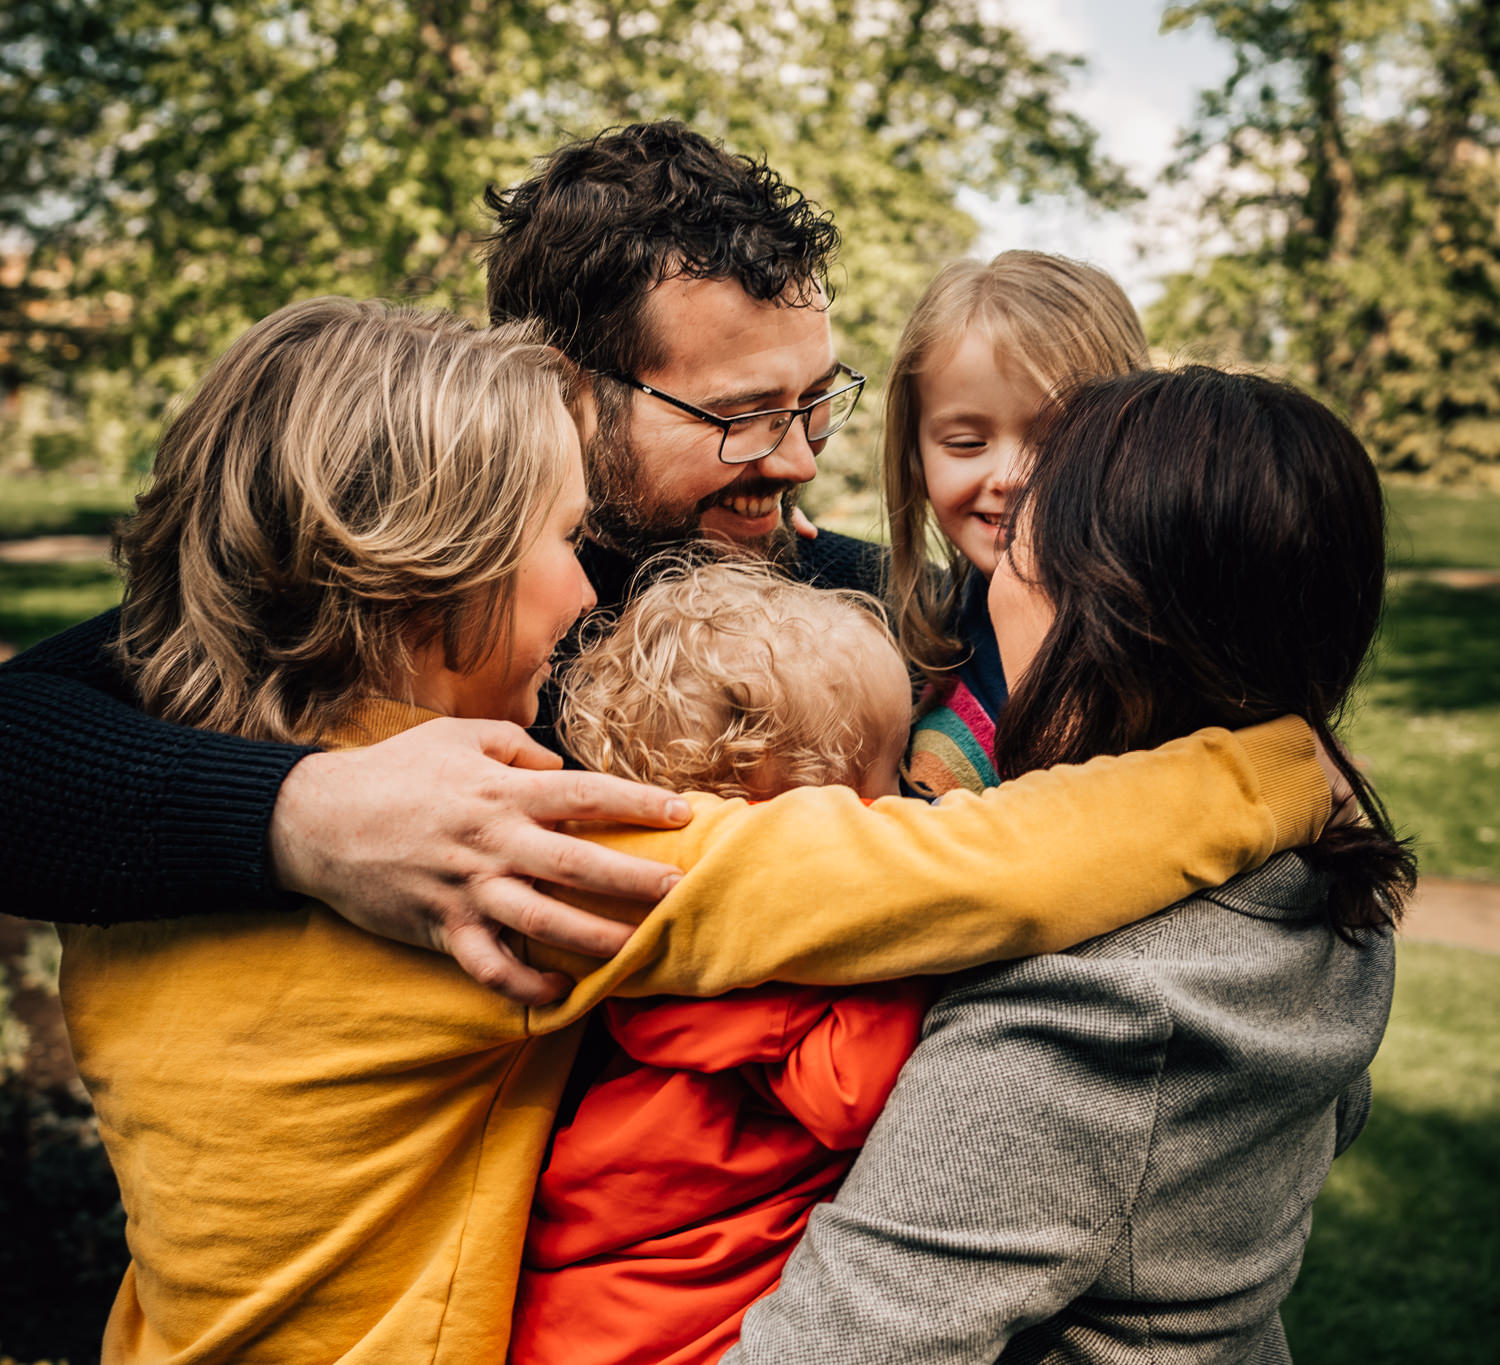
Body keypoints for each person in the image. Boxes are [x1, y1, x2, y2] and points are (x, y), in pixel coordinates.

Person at [64, 300, 1332, 1365]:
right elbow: (966, 868)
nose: (584, 589)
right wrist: (1268, 771)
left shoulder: (132, 855)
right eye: (564, 542)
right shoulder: (508, 863)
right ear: (426, 576)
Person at [0, 122, 887, 1000]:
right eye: (742, 414)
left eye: (812, 403)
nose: (795, 459)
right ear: (573, 392)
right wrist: (307, 817)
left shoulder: (842, 595)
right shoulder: (417, 596)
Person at [728, 367, 1416, 1365]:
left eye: (1014, 549)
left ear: (1095, 620)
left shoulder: (1089, 1013)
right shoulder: (1313, 879)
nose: (987, 583)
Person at [512, 559, 928, 1365]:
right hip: (658, 1328)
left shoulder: (648, 923)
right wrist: (915, 941)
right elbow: (849, 1092)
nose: (908, 804)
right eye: (886, 781)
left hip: (578, 1309)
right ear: (790, 826)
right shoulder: (767, 968)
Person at [882, 251, 1149, 799]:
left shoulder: (1170, 648)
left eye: (1055, 442)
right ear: (915, 461)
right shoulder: (929, 638)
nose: (1008, 475)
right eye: (966, 443)